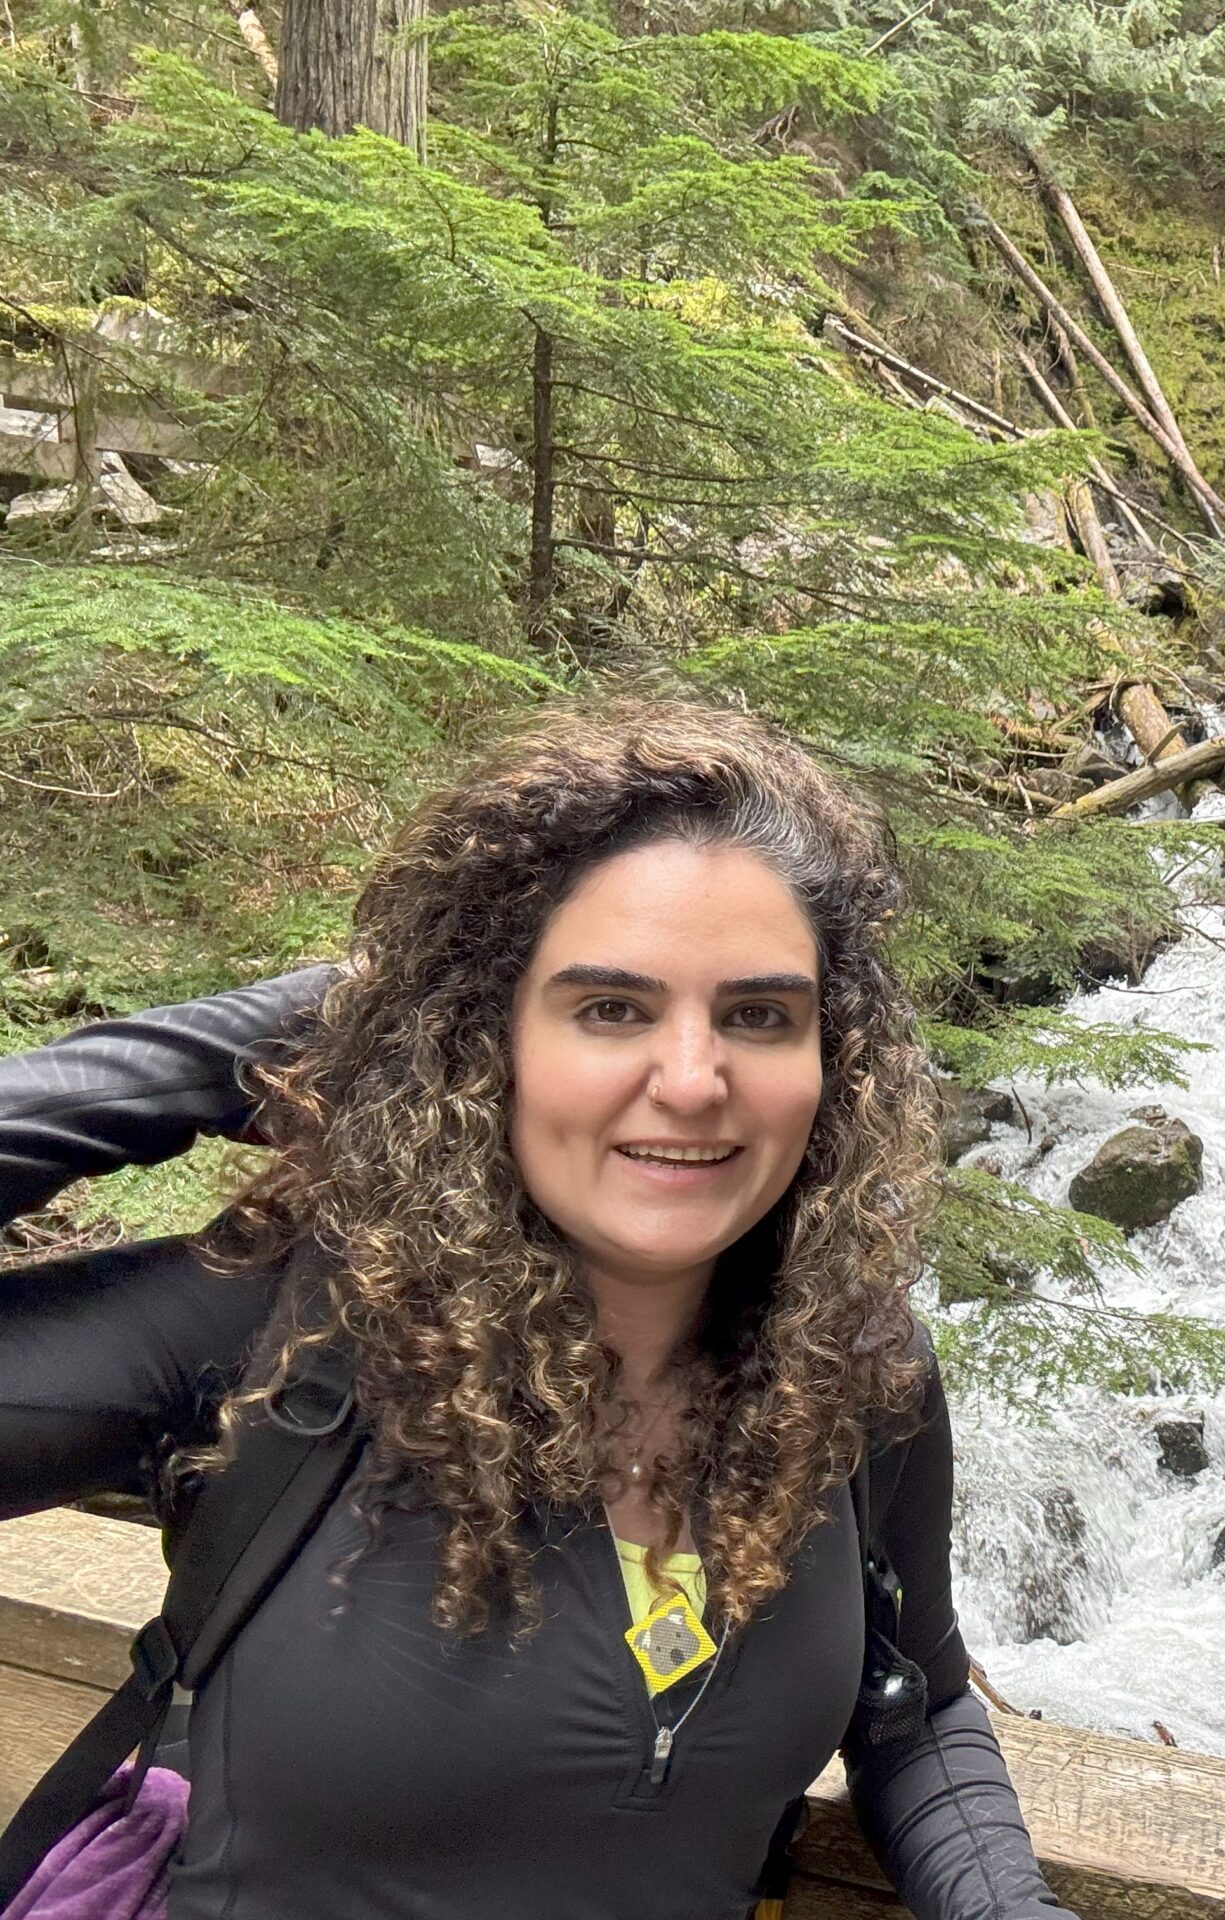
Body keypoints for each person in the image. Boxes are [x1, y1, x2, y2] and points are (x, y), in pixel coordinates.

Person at [0, 700, 1073, 1919]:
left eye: (760, 1015)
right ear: (483, 1039)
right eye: (608, 1007)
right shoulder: (274, 1341)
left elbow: (917, 1707)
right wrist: (286, 1036)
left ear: (837, 1059)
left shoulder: (847, 1368)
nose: (691, 1081)